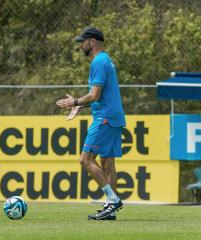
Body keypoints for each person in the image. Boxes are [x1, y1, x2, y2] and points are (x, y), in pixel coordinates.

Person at [56, 27, 125, 220]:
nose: (81, 45)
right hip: (113, 117)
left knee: (85, 160)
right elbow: (103, 96)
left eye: (83, 41)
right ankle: (110, 208)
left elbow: (95, 95)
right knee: (107, 162)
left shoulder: (99, 61)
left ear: (92, 42)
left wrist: (75, 102)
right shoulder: (106, 60)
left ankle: (113, 199)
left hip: (105, 118)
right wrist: (81, 106)